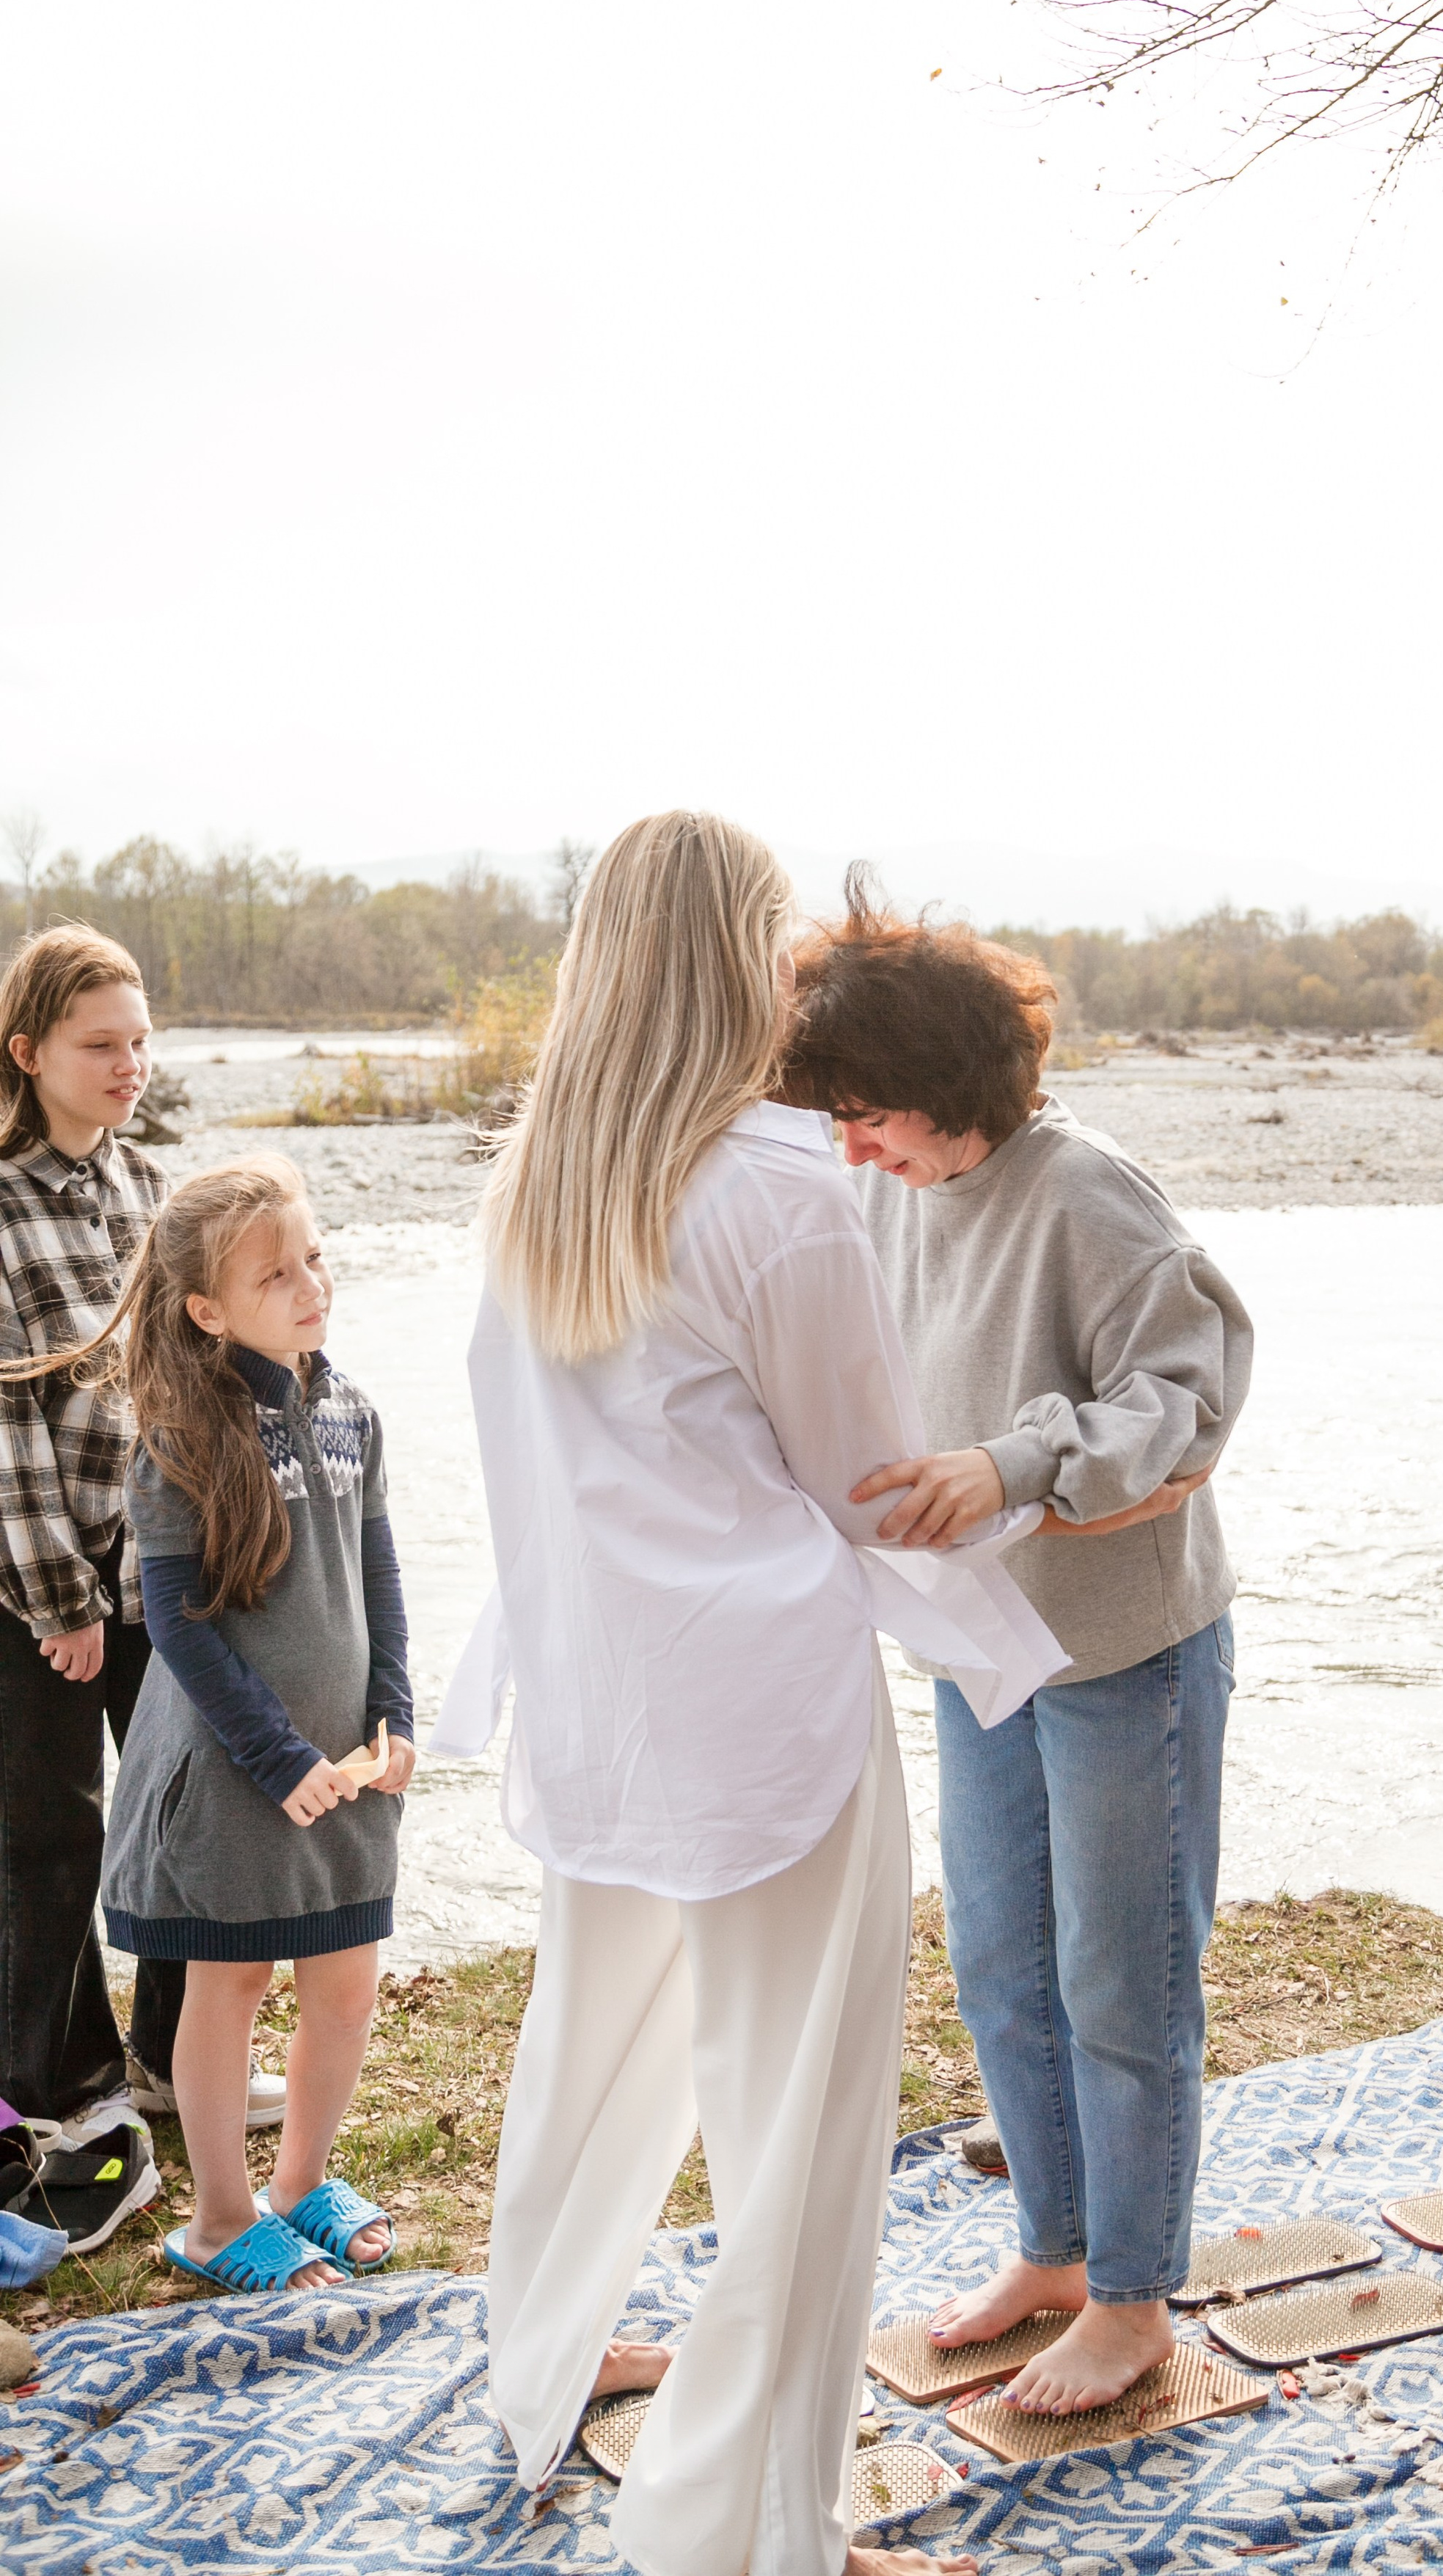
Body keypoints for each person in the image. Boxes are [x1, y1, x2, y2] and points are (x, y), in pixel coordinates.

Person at [445, 811, 1061, 2576]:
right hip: (759, 1712)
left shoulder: (537, 1175)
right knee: (795, 2128)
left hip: (597, 1693)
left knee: (586, 2052)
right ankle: (757, 2528)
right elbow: (869, 1484)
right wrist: (1032, 1550)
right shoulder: (778, 1187)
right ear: (741, 960)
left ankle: (542, 2368)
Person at [784, 875, 1254, 2419]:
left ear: (943, 1083)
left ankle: (1132, 2302)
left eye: (868, 1115)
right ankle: (1054, 2255)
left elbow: (1187, 1397)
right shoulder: (884, 1187)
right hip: (978, 1648)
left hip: (1124, 1653)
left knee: (1122, 1980)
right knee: (998, 1965)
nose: (851, 1148)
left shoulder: (1090, 1195)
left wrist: (1011, 1467)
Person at [9, 1155, 416, 2292]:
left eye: (314, 1258)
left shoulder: (353, 1412)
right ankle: (220, 2220)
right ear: (206, 1310)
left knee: (346, 1983)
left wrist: (395, 1712)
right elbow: (179, 1629)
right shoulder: (179, 1440)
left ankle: (298, 2185)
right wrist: (279, 1758)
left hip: (346, 1765)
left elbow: (380, 1577)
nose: (310, 1285)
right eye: (274, 1274)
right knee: (226, 1986)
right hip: (237, 1771)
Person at [0, 927, 279, 2261]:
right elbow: (7, 1430)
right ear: (27, 1053)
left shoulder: (154, 1188)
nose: (130, 1064)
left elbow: (189, 1381)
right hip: (34, 1585)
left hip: (154, 1566)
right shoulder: (3, 1207)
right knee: (52, 1839)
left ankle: (174, 2058)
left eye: (141, 1040)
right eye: (100, 1044)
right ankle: (68, 2092)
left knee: (181, 1813)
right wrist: (59, 1598)